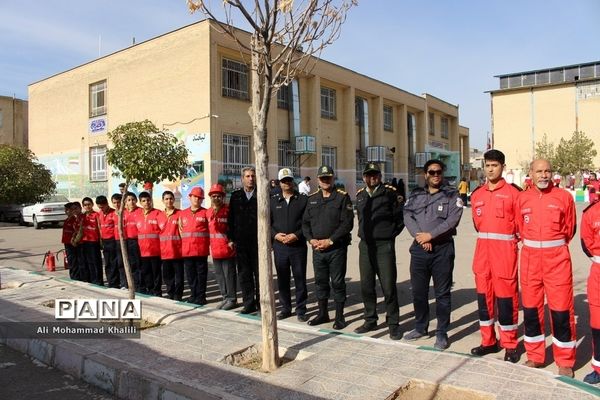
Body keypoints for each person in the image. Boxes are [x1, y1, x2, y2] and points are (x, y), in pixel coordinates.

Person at [516, 159, 576, 377]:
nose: (544, 175)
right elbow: (519, 227)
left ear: (552, 174)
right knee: (531, 310)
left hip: (557, 260)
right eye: (539, 171)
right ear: (530, 173)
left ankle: (565, 360)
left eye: (547, 171)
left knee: (561, 311)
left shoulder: (564, 198)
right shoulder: (522, 199)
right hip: (530, 259)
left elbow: (569, 229)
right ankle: (535, 356)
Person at [403, 159, 463, 350]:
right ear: (425, 174)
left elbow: (453, 220)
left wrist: (431, 236)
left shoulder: (452, 194)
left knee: (442, 294)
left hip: (442, 250)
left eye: (438, 172)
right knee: (419, 292)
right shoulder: (416, 194)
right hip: (420, 249)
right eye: (431, 172)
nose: (435, 175)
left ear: (442, 173)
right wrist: (421, 238)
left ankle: (441, 333)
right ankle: (421, 327)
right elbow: (407, 215)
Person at [469, 150, 521, 363]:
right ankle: (488, 341)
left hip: (504, 256)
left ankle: (509, 345)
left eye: (495, 166)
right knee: (484, 300)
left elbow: (519, 226)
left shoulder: (514, 194)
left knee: (507, 301)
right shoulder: (477, 195)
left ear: (503, 167)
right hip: (482, 256)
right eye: (488, 165)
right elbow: (476, 225)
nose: (490, 169)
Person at [354, 163, 404, 340]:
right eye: (369, 174)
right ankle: (370, 319)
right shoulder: (360, 195)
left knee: (388, 286)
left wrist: (389, 235)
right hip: (365, 246)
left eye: (375, 174)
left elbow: (400, 218)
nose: (372, 177)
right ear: (364, 177)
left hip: (384, 246)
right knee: (366, 285)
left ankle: (393, 324)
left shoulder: (390, 193)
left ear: (380, 176)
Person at [302, 165, 354, 329]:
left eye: (328, 178)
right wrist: (310, 240)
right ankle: (323, 313)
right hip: (317, 249)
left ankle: (340, 317)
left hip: (336, 248)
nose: (325, 181)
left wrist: (330, 240)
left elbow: (347, 224)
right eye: (323, 178)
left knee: (338, 282)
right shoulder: (312, 199)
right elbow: (305, 224)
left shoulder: (341, 197)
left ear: (333, 179)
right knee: (320, 282)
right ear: (318, 180)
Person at [270, 168, 309, 321]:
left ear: (293, 181)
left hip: (297, 246)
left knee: (300, 278)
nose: (287, 183)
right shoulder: (273, 201)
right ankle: (285, 308)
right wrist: (275, 236)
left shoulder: (302, 200)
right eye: (284, 181)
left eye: (289, 180)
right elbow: (269, 223)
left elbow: (307, 223)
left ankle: (301, 309)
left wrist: (296, 235)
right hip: (280, 247)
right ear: (279, 183)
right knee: (282, 278)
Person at [228, 167, 259, 314]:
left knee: (260, 275)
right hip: (241, 242)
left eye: (253, 176)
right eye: (248, 176)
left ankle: (261, 304)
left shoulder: (262, 194)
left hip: (258, 242)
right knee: (244, 274)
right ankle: (249, 304)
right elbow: (231, 219)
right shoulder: (236, 196)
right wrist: (230, 238)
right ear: (242, 178)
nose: (251, 178)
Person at [207, 184, 237, 310]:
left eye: (219, 196)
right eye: (214, 196)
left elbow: (235, 227)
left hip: (227, 250)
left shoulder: (229, 210)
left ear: (223, 197)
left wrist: (232, 241)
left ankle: (232, 299)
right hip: (215, 250)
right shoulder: (208, 212)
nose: (216, 198)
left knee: (229, 275)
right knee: (219, 276)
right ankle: (225, 297)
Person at [179, 186, 210, 305]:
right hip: (187, 250)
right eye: (195, 197)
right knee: (190, 275)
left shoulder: (205, 213)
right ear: (190, 197)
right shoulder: (183, 214)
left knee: (201, 274)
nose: (197, 199)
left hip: (201, 250)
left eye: (200, 197)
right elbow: (181, 231)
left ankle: (201, 296)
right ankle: (193, 294)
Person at [581, 199, 600, 384]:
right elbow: (586, 244)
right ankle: (599, 368)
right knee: (598, 324)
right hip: (598, 273)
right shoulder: (591, 212)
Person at [158, 190, 184, 301]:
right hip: (164, 252)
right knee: (167, 277)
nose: (169, 201)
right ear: (163, 201)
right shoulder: (159, 215)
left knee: (179, 276)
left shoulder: (180, 214)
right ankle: (170, 294)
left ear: (174, 199)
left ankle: (178, 296)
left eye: (171, 198)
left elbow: (183, 232)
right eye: (166, 199)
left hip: (177, 251)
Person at [136, 191, 163, 296]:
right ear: (140, 202)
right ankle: (150, 290)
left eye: (148, 200)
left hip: (156, 250)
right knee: (146, 272)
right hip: (143, 251)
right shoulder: (137, 216)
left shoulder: (158, 213)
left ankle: (157, 292)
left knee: (156, 273)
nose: (146, 202)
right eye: (144, 201)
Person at [75, 197, 102, 285]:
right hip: (84, 242)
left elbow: (100, 228)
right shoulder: (82, 216)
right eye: (85, 205)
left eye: (89, 204)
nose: (87, 206)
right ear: (83, 206)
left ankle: (98, 280)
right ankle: (90, 279)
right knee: (87, 262)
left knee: (95, 262)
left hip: (94, 242)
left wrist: (101, 241)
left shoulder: (96, 215)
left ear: (92, 205)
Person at [97, 195, 120, 288]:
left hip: (113, 241)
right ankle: (110, 281)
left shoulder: (113, 213)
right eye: (99, 207)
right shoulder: (100, 214)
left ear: (107, 204)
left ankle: (115, 282)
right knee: (107, 263)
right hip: (105, 241)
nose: (101, 209)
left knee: (114, 262)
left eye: (102, 207)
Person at [123, 192, 141, 290]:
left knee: (138, 264)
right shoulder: (123, 212)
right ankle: (131, 284)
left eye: (133, 199)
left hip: (138, 241)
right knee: (130, 264)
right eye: (129, 200)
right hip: (127, 241)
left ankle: (140, 285)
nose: (131, 202)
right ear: (125, 202)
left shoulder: (140, 211)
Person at [110, 193, 126, 289]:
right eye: (114, 203)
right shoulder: (112, 214)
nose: (117, 204)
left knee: (127, 263)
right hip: (115, 241)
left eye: (118, 202)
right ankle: (122, 283)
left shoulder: (126, 213)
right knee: (119, 263)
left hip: (125, 241)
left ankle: (129, 283)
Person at [62, 202, 81, 280]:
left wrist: (74, 241)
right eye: (65, 210)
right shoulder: (66, 220)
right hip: (66, 243)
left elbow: (77, 232)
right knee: (70, 261)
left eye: (68, 210)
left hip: (72, 244)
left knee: (74, 261)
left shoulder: (75, 220)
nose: (66, 211)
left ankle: (76, 277)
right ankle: (72, 276)